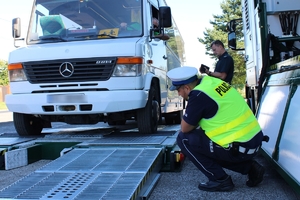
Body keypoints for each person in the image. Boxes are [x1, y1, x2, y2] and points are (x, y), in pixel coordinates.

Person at [167, 66, 268, 192]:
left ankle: (220, 180)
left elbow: (185, 128)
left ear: (186, 88)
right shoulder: (212, 82)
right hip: (253, 142)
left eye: (178, 90)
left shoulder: (198, 95)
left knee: (184, 139)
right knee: (204, 140)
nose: (179, 94)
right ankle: (249, 167)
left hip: (240, 148)